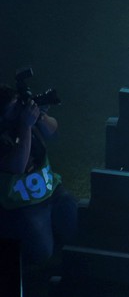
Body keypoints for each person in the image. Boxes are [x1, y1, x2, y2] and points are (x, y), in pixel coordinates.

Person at [0, 84, 77, 265]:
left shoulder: (24, 119)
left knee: (77, 224)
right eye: (14, 108)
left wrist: (40, 116)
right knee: (41, 253)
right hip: (22, 203)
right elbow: (17, 165)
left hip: (52, 190)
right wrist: (25, 126)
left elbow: (54, 133)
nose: (20, 109)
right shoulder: (10, 131)